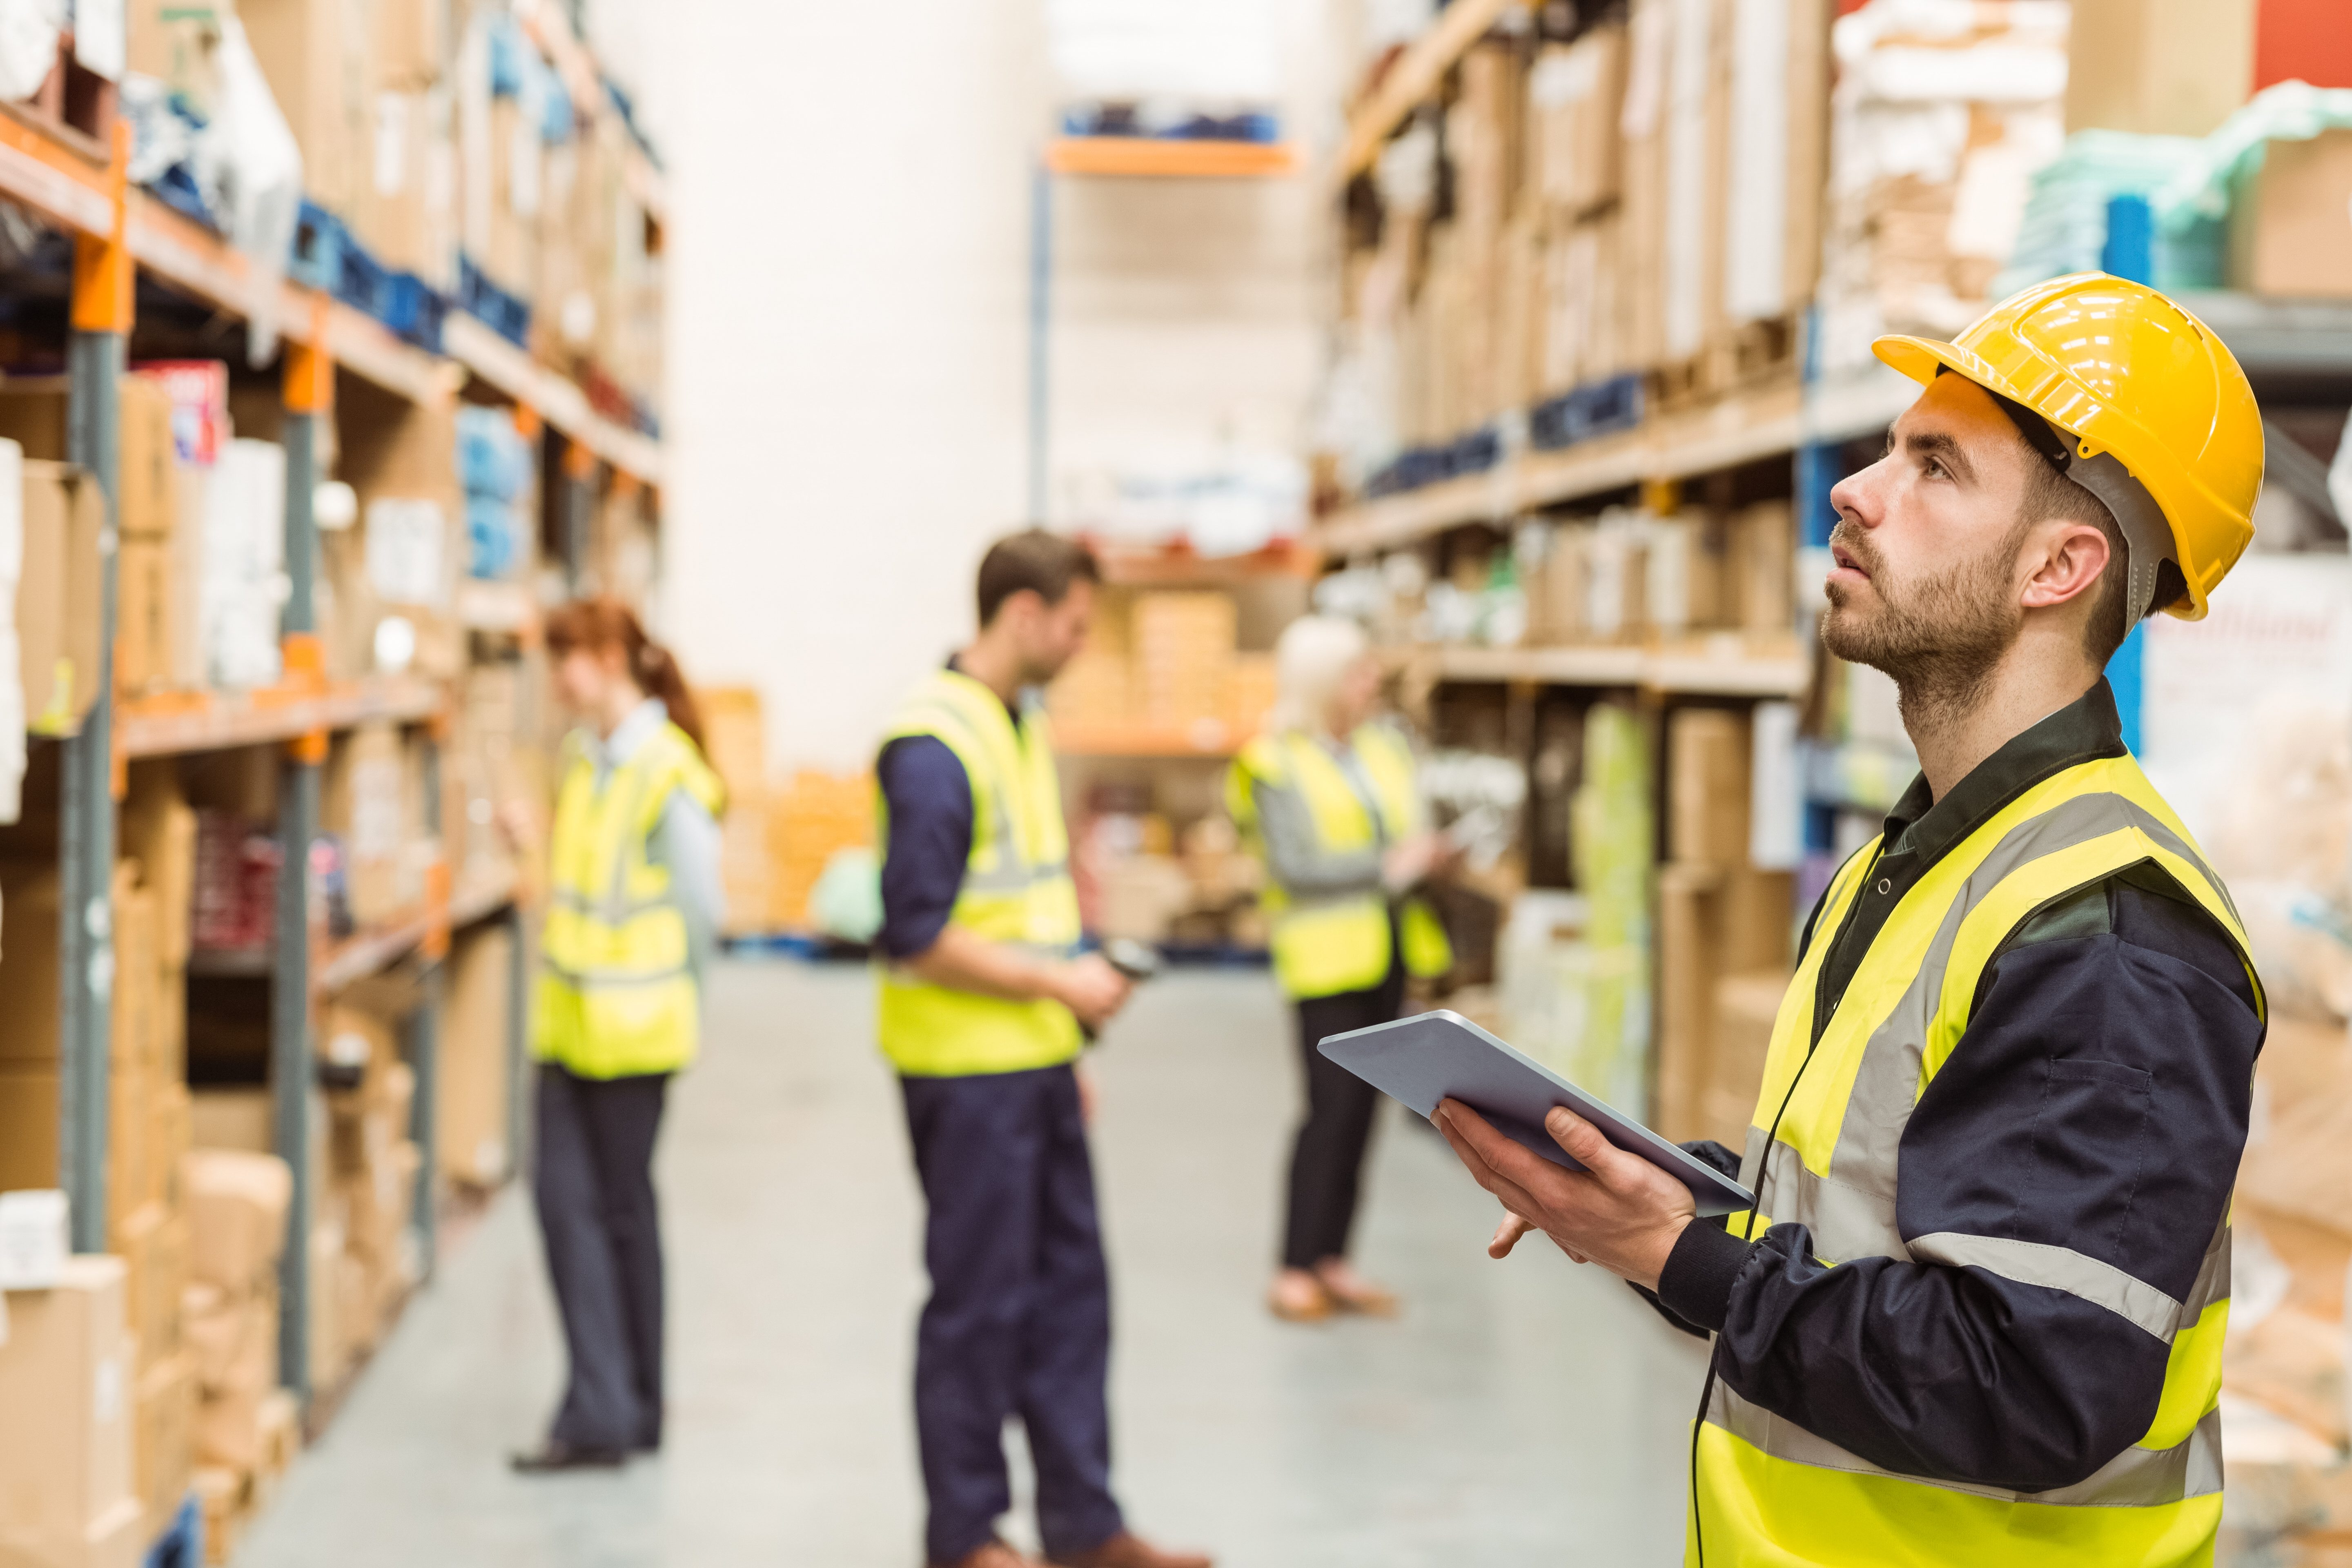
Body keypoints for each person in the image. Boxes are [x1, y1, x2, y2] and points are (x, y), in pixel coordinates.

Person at [1430, 274, 2267, 1565]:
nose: (1856, 490)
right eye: (1887, 450)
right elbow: (1879, 1211)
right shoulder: (1938, 852)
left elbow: (2033, 1382)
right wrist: (1668, 1195)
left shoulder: (2104, 932)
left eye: (1934, 467)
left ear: (2061, 564)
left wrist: (1675, 1255)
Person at [875, 530, 1210, 1568]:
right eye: (1072, 626)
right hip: (965, 1077)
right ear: (1023, 613)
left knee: (1072, 1296)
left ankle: (1084, 1525)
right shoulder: (935, 744)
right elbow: (917, 932)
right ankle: (967, 1535)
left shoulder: (1014, 722)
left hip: (1034, 1063)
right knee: (979, 1305)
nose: (1077, 646)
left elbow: (1028, 906)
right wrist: (1063, 988)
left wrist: (1067, 1043)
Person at [508, 599, 726, 1473]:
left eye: (571, 657)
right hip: (570, 1026)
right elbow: (573, 891)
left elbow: (704, 909)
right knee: (617, 1214)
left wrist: (683, 1008)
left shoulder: (664, 768)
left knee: (586, 1212)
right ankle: (631, 1406)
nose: (561, 677)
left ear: (613, 657)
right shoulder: (584, 761)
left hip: (634, 1031)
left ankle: (602, 1411)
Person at [1226, 617, 1454, 1323]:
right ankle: (1293, 1266)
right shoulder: (1271, 762)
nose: (1371, 684)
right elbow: (1296, 868)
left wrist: (1428, 856)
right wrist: (1391, 868)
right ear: (1323, 682)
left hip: (1388, 948)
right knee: (1327, 1114)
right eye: (1358, 673)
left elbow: (1406, 826)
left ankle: (1334, 1260)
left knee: (1362, 1115)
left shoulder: (1381, 748)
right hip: (1326, 963)